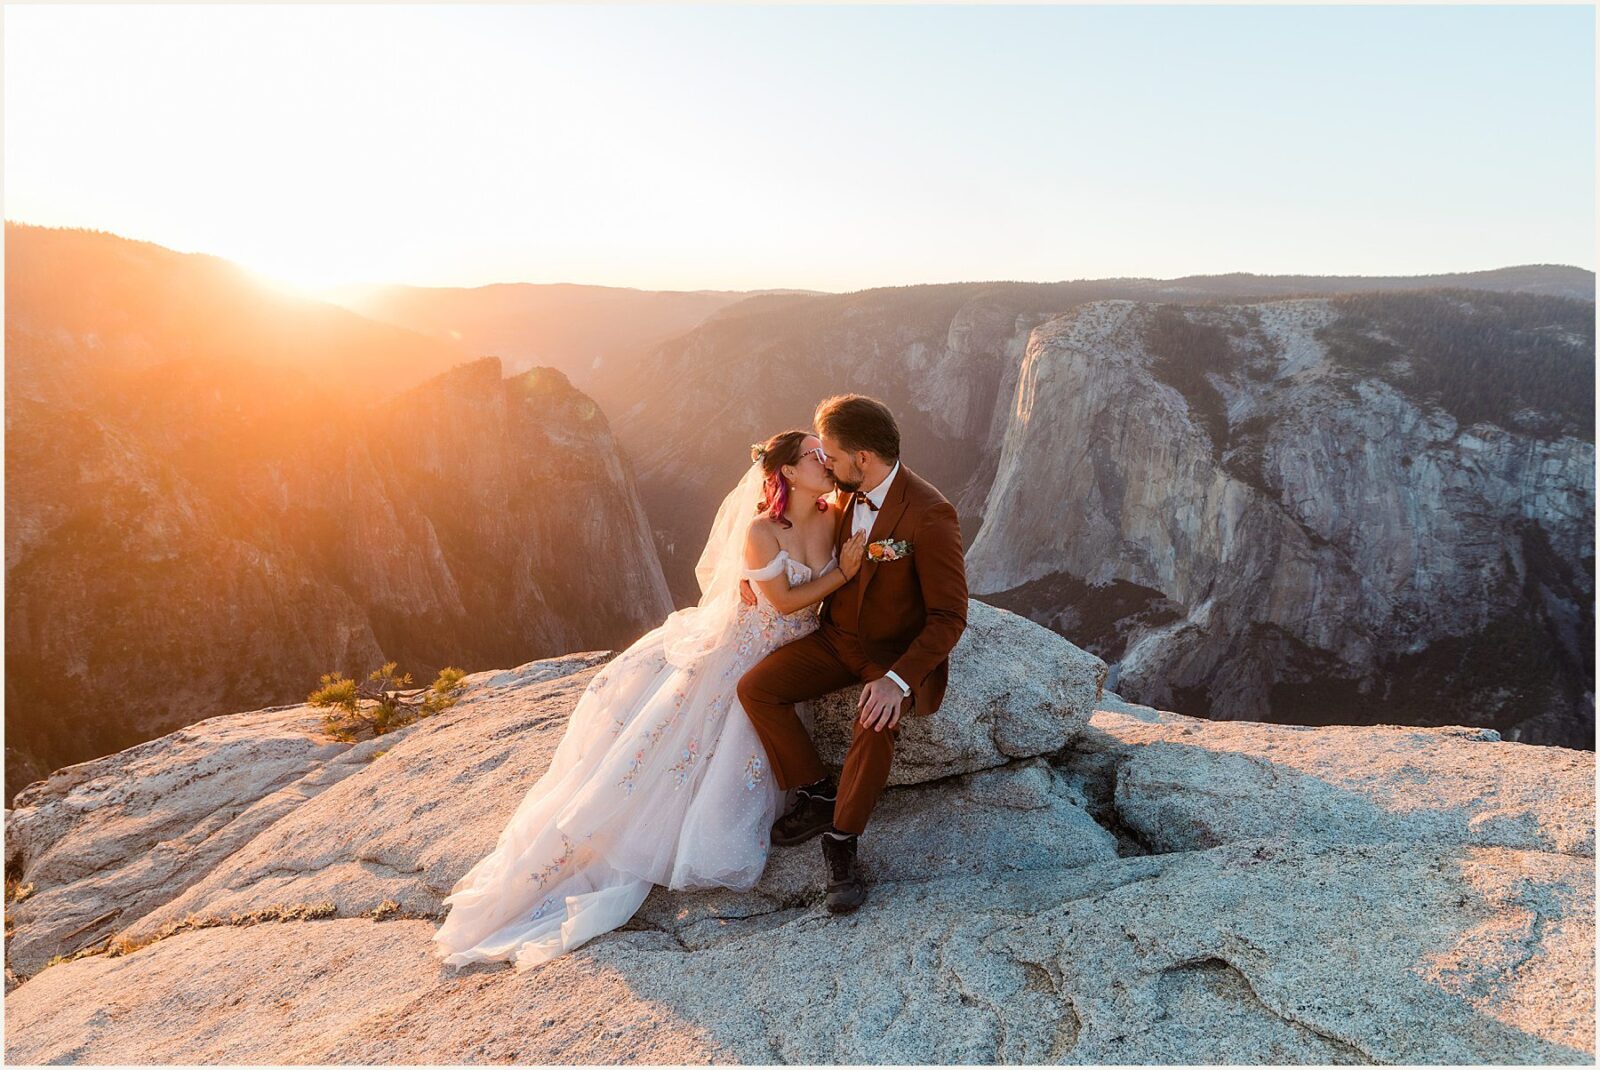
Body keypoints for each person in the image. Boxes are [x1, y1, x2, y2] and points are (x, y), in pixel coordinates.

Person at [430, 430, 866, 971]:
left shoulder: (834, 513)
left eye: (827, 454)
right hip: (749, 650)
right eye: (814, 456)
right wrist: (843, 572)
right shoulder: (760, 531)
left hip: (796, 656)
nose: (826, 462)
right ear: (788, 473)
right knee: (671, 757)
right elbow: (780, 603)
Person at [737, 394, 968, 914]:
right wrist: (751, 576)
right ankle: (817, 791)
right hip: (833, 638)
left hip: (887, 656)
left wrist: (898, 679)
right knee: (757, 689)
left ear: (862, 457)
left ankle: (841, 841)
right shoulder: (842, 493)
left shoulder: (931, 515)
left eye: (833, 456)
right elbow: (780, 524)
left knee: (874, 716)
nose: (826, 465)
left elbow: (950, 616)